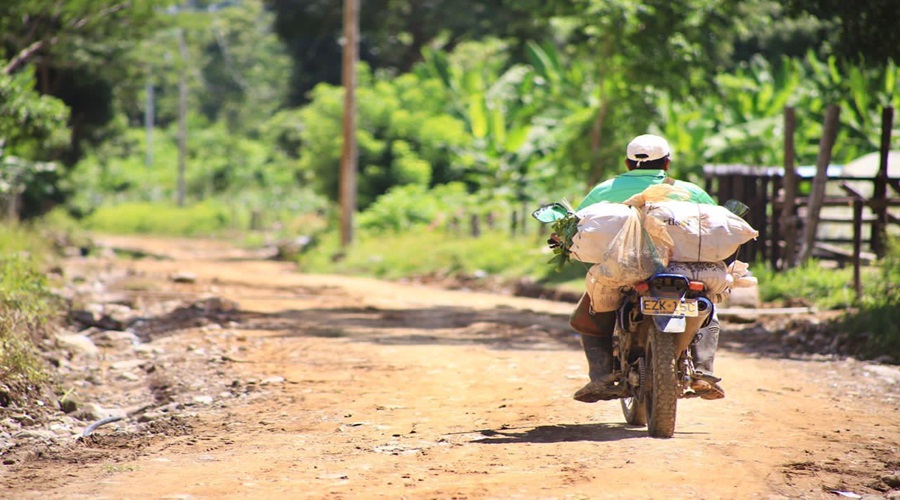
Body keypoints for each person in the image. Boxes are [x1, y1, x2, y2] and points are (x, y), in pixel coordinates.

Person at [569, 133, 725, 403]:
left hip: (623, 269)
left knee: (590, 315)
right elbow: (715, 228)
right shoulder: (690, 191)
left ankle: (601, 375)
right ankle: (702, 371)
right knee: (707, 308)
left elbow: (577, 228)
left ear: (628, 164)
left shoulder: (604, 190)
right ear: (667, 163)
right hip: (681, 273)